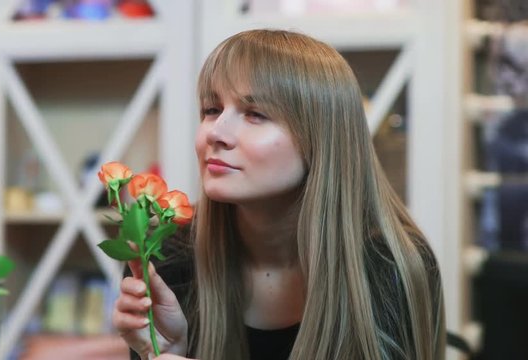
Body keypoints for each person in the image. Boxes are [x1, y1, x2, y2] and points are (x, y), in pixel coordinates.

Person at [113, 29, 446, 360]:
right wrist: (168, 351)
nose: (216, 132)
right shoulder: (165, 257)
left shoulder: (391, 266)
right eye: (212, 109)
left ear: (321, 139)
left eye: (255, 114)